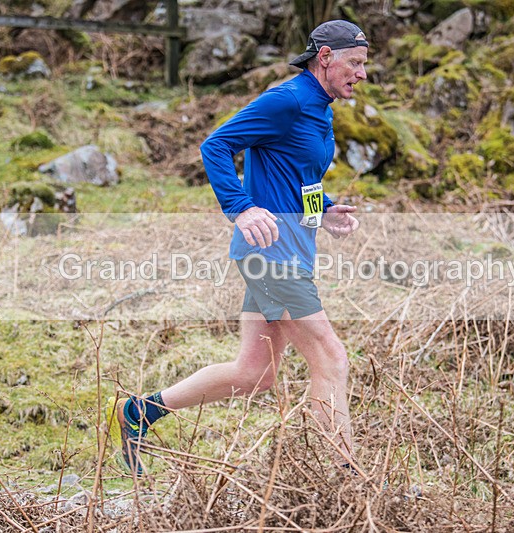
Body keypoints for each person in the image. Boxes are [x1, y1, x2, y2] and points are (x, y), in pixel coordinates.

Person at [106, 20, 368, 476]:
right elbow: (217, 144)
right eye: (356, 63)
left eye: (364, 64)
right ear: (324, 57)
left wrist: (323, 208)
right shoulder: (287, 100)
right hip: (271, 256)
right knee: (331, 357)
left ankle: (135, 413)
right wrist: (240, 207)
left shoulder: (320, 106)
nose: (362, 73)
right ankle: (346, 478)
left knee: (255, 374)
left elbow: (298, 174)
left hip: (288, 251)